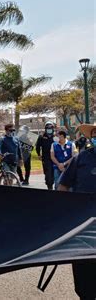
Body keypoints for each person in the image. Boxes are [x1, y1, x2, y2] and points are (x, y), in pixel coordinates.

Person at [57, 123, 96, 300]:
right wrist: (62, 213)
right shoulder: (81, 159)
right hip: (83, 229)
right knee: (84, 283)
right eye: (95, 133)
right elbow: (63, 186)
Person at [36, 121, 56, 190]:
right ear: (45, 129)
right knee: (48, 173)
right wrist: (39, 154)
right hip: (46, 158)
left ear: (53, 129)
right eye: (48, 128)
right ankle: (49, 187)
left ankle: (52, 183)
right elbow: (37, 146)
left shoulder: (56, 137)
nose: (49, 129)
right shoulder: (41, 137)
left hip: (56, 158)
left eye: (50, 128)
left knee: (53, 173)